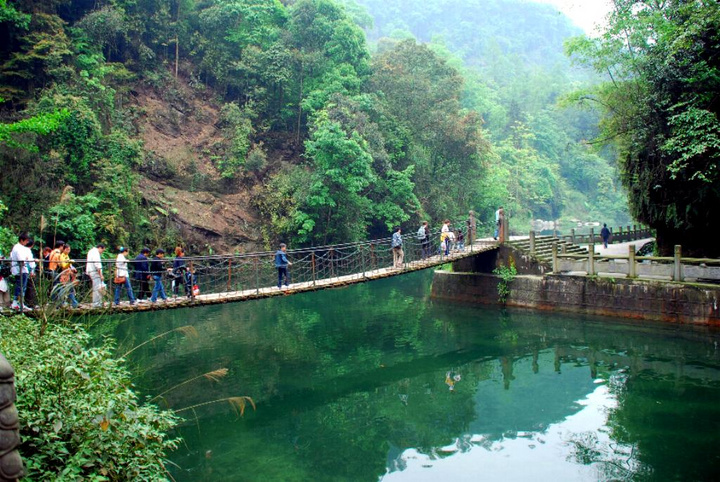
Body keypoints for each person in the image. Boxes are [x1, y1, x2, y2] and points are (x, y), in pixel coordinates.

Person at [10, 233, 34, 311]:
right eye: (26, 240)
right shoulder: (17, 248)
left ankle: (21, 303)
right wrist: (26, 259)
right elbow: (21, 259)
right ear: (21, 240)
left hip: (22, 270)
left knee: (22, 287)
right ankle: (15, 303)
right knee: (20, 286)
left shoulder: (21, 247)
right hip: (20, 270)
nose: (27, 242)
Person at [58, 244, 79, 308]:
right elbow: (64, 266)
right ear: (64, 249)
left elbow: (69, 265)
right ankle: (61, 302)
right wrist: (69, 262)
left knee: (70, 288)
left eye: (69, 250)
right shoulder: (62, 256)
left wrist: (72, 267)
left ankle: (74, 303)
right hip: (64, 274)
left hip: (68, 274)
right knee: (64, 288)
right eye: (67, 249)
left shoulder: (67, 256)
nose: (68, 251)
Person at [86, 243, 106, 308]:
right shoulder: (96, 253)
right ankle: (96, 303)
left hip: (91, 271)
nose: (102, 252)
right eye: (102, 251)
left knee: (97, 287)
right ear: (100, 248)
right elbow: (97, 265)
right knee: (98, 287)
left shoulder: (91, 251)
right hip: (95, 272)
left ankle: (97, 302)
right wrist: (101, 275)